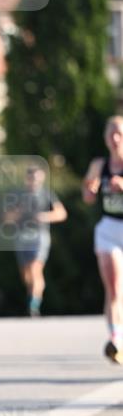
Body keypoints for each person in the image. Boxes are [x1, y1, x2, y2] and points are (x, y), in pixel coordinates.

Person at [82, 114, 123, 364]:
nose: (116, 138)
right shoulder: (99, 165)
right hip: (108, 228)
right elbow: (87, 197)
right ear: (106, 138)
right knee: (114, 287)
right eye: (111, 134)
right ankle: (115, 340)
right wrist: (90, 189)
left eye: (120, 133)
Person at [7, 166, 67, 317]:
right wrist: (18, 212)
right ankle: (32, 296)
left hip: (39, 236)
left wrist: (44, 216)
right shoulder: (18, 195)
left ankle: (34, 305)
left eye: (37, 179)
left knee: (35, 269)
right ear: (26, 179)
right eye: (31, 178)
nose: (34, 182)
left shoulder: (47, 194)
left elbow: (61, 214)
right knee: (26, 274)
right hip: (22, 236)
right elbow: (7, 219)